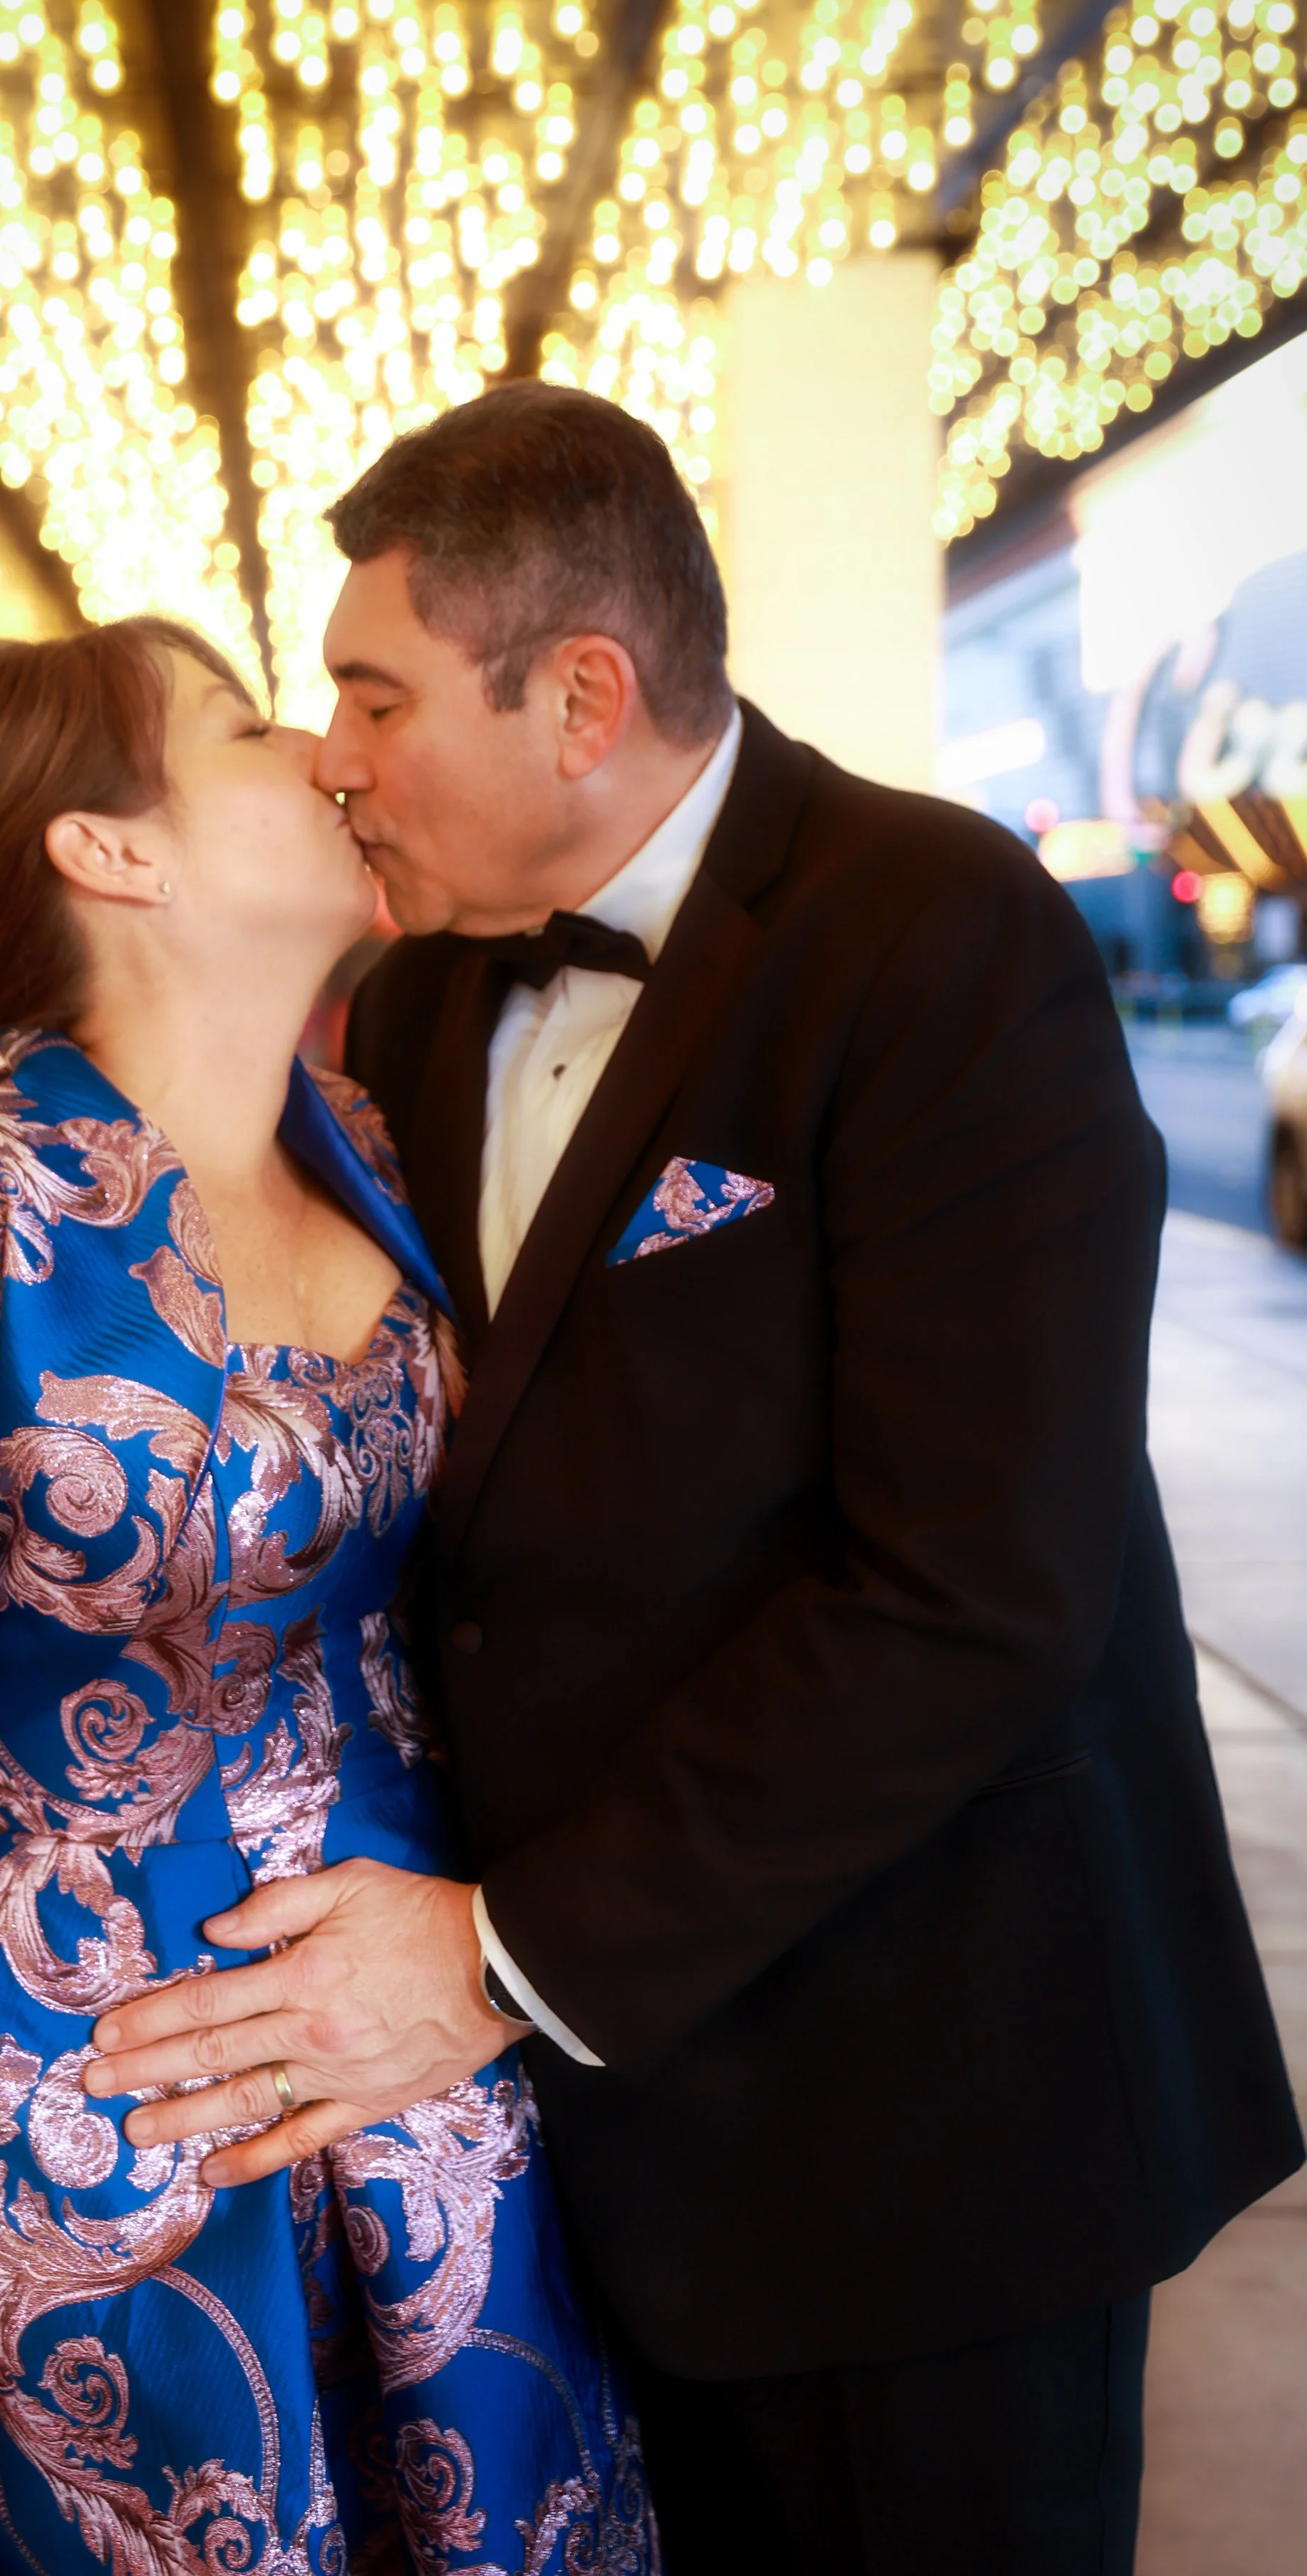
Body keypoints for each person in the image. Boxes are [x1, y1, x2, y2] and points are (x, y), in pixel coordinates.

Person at [84, 386, 1306, 2575]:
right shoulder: (436, 1007)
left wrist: (501, 1954)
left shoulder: (933, 931)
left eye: (372, 692)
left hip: (918, 2116)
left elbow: (976, 1586)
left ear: (580, 693)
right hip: (596, 2137)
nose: (333, 749)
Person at [0, 615, 655, 2576]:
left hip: (422, 2055)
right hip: (71, 2136)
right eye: (253, 724)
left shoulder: (376, 1156)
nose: (328, 756)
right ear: (116, 851)